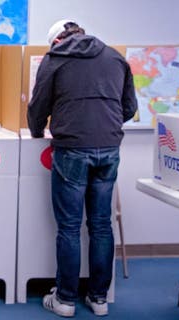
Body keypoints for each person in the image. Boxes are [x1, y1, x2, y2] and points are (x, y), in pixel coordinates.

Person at [27, 19, 138, 317]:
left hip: (72, 149)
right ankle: (99, 299)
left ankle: (64, 299)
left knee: (69, 227)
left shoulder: (55, 60)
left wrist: (37, 133)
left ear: (56, 41)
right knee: (102, 225)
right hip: (110, 149)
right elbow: (128, 107)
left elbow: (38, 107)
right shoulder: (116, 57)